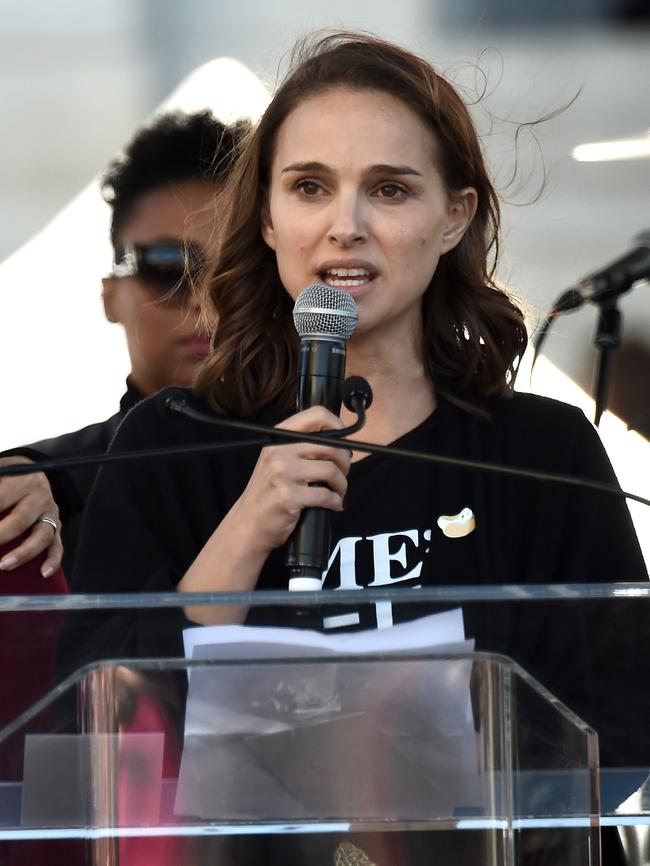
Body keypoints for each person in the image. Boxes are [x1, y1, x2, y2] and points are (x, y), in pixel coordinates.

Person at [65, 33, 646, 865]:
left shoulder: (541, 452)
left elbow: (620, 728)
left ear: (455, 217)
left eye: (390, 189)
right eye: (309, 187)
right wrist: (246, 531)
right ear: (266, 216)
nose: (346, 227)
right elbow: (99, 732)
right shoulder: (170, 445)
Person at [0, 111, 245, 579]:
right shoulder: (35, 493)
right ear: (110, 297)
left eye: (237, 269)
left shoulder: (358, 464)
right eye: (168, 264)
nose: (205, 299)